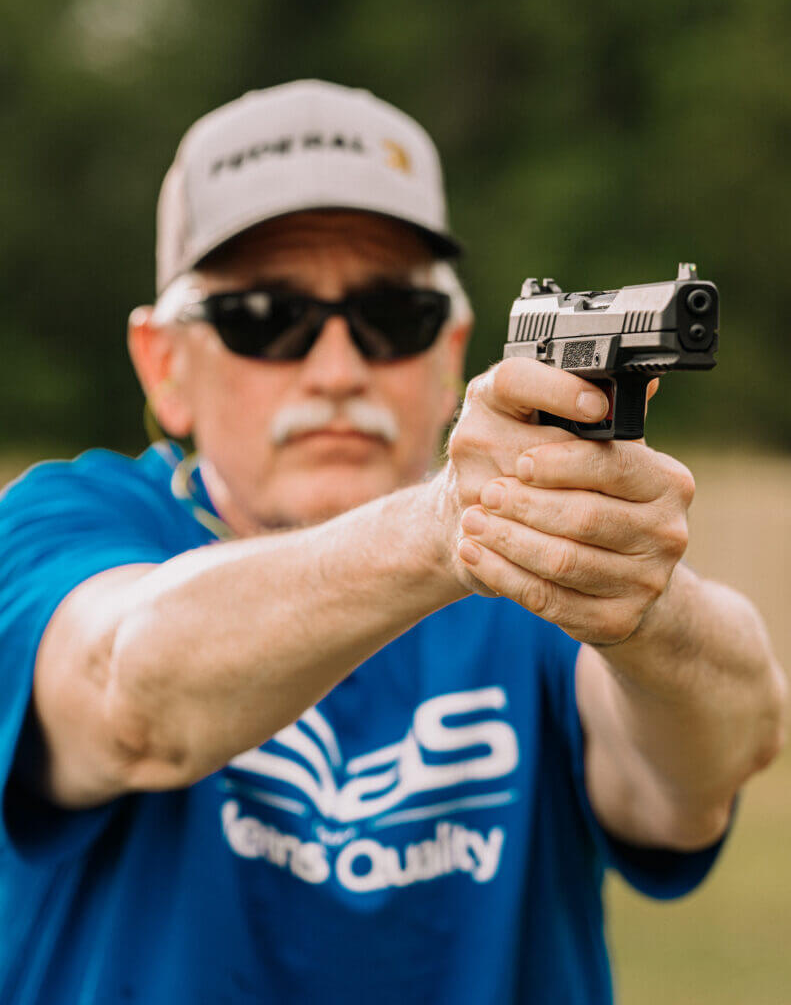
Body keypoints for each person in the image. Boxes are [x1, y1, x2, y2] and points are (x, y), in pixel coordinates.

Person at [0, 79, 785, 1005]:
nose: (336, 369)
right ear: (165, 367)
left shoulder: (525, 553)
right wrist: (448, 527)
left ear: (450, 354)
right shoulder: (62, 521)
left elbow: (706, 768)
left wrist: (638, 601)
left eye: (391, 319)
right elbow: (128, 690)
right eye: (266, 319)